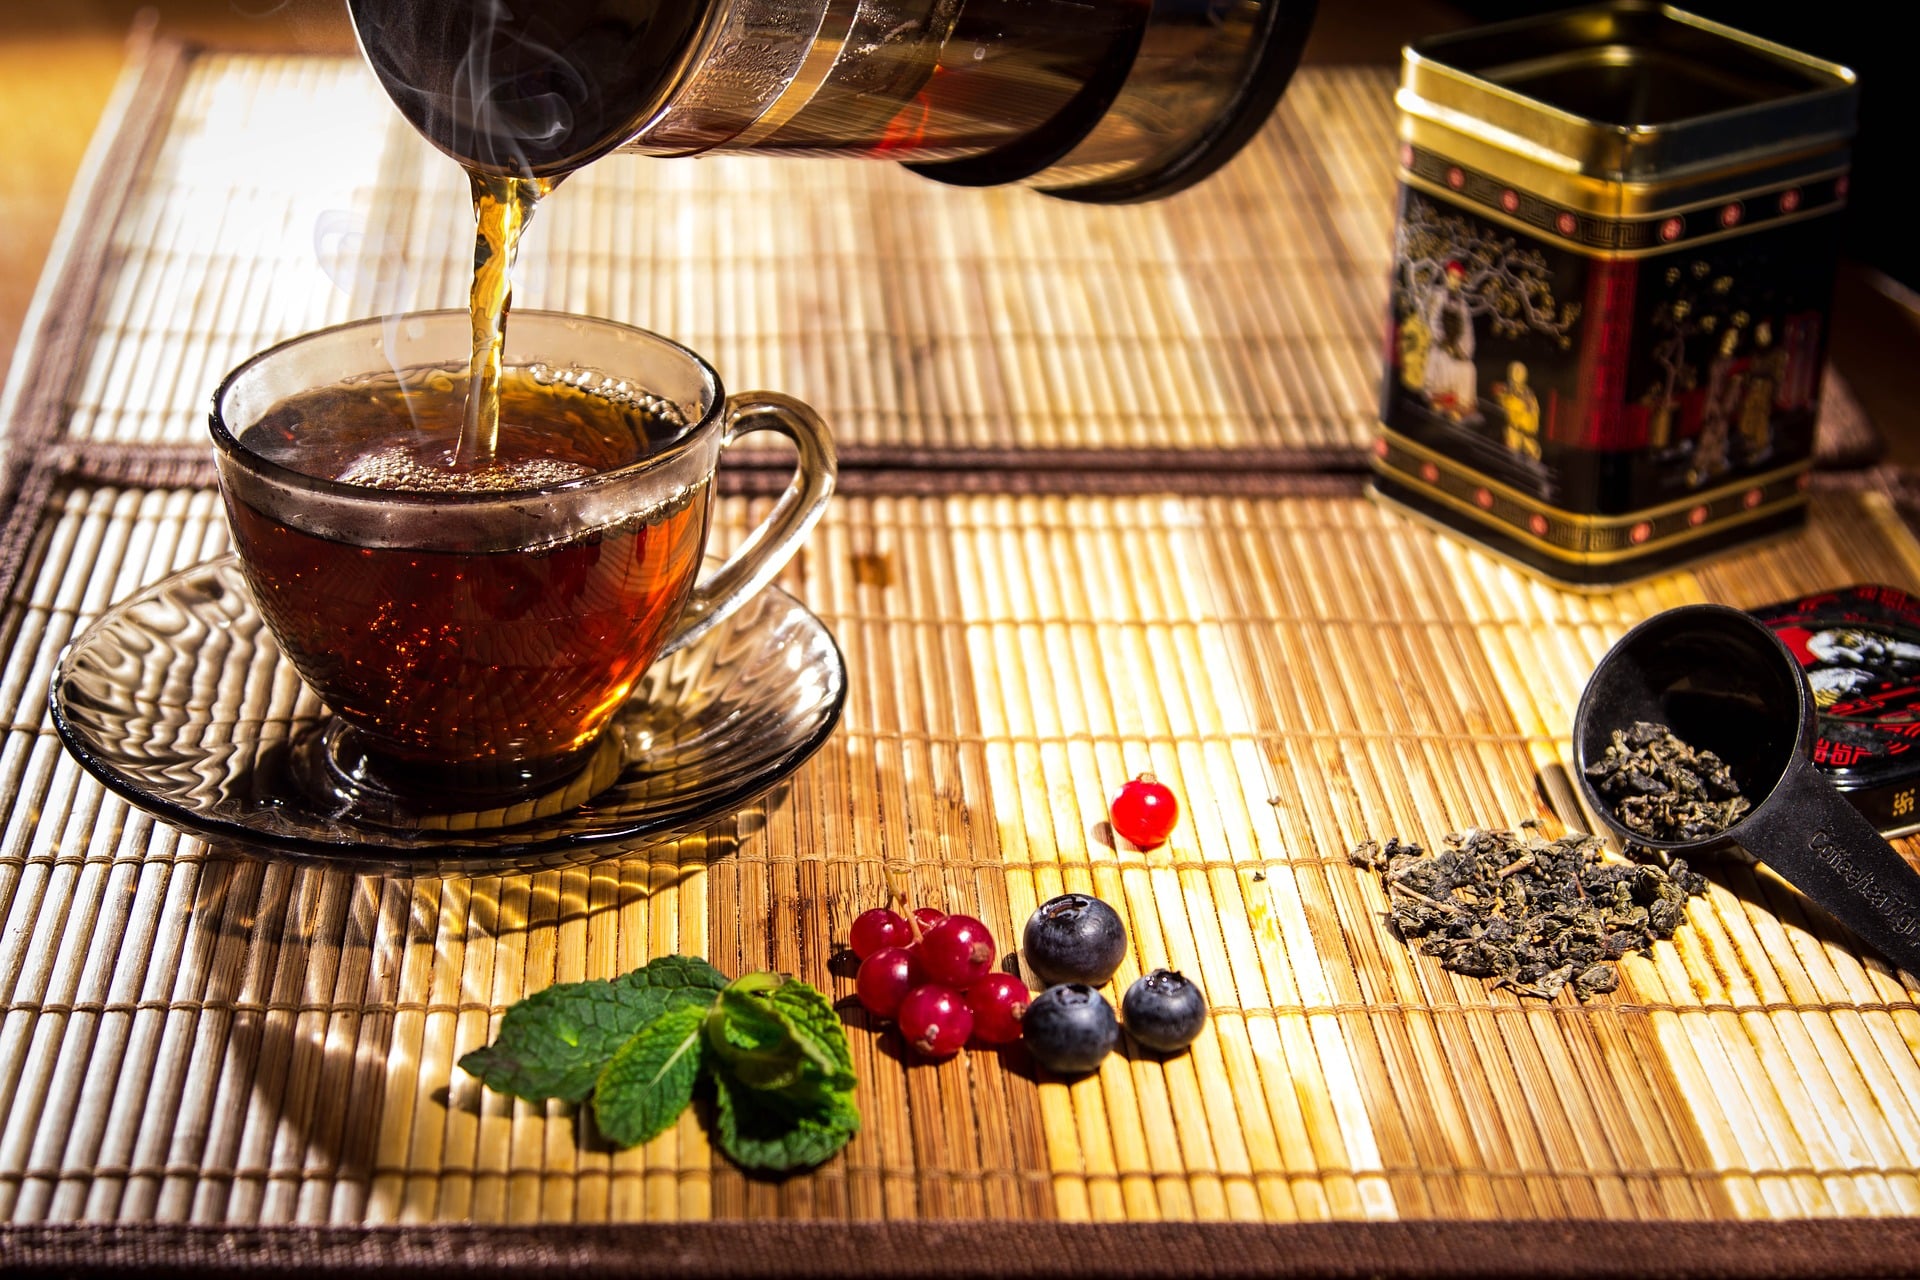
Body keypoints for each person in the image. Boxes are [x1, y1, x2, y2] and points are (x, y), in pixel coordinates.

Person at [1422, 261, 1478, 422]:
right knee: (1441, 360)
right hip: (1440, 346)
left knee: (1468, 368)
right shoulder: (1437, 297)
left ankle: (1459, 407)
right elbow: (1433, 321)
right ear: (1446, 276)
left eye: (1458, 279)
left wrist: (1463, 350)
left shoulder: (1463, 305)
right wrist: (1444, 341)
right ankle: (1439, 401)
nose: (1455, 281)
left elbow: (1467, 330)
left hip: (1456, 348)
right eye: (1452, 277)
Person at [1495, 360, 1540, 459]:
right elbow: (1504, 403)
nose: (1517, 374)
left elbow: (1535, 414)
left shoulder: (1530, 394)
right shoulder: (1506, 390)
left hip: (1528, 436)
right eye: (1515, 371)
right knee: (1513, 456)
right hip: (1513, 431)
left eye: (1520, 371)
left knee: (1535, 457)